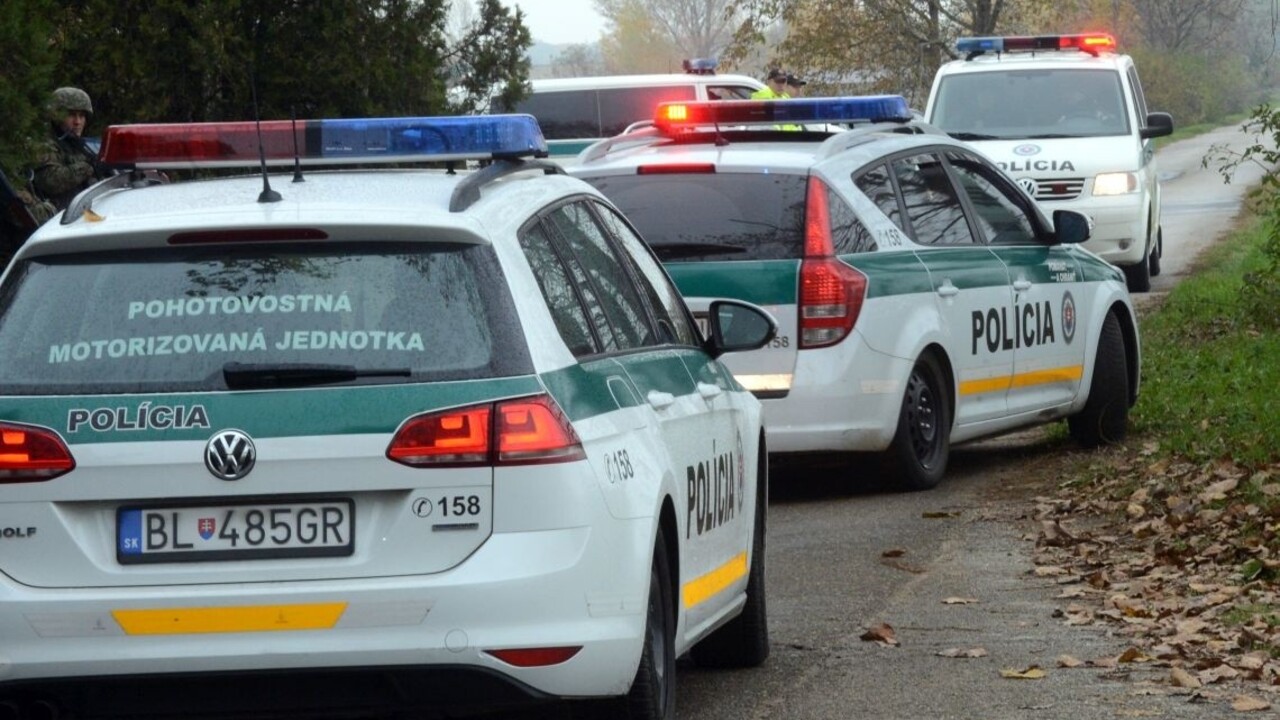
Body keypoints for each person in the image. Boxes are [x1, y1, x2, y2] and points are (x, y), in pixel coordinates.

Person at [33, 87, 110, 211]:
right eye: (71, 115)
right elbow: (50, 181)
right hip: (58, 216)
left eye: (82, 116)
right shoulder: (44, 144)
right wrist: (89, 167)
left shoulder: (82, 146)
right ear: (56, 117)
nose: (77, 122)